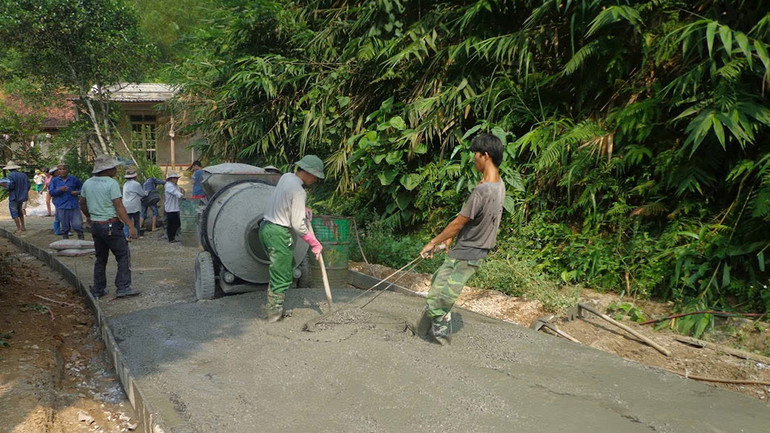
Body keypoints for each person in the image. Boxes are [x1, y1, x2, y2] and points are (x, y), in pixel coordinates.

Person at [419, 133, 506, 345]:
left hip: (470, 251)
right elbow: (472, 219)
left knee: (442, 294)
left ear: (485, 155)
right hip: (469, 247)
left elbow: (458, 222)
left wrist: (432, 242)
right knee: (438, 282)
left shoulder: (483, 190)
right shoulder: (498, 183)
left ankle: (438, 338)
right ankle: (422, 330)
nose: (473, 159)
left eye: (475, 155)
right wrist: (450, 239)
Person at [258, 155, 325, 322]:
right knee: (282, 274)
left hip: (266, 228)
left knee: (280, 269)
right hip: (279, 233)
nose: (315, 179)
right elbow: (298, 226)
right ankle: (273, 314)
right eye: (315, 176)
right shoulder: (299, 191)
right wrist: (314, 243)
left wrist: (302, 208)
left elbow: (284, 199)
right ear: (308, 173)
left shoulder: (287, 177)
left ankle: (271, 306)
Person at [79, 154, 140, 299]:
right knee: (123, 255)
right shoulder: (111, 184)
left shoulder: (87, 183)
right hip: (111, 224)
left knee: (101, 257)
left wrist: (89, 216)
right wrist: (130, 226)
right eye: (114, 167)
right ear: (107, 169)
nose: (116, 170)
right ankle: (123, 287)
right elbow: (118, 205)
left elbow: (82, 202)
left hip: (96, 225)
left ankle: (99, 288)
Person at [48, 164, 84, 240]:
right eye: (60, 169)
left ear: (67, 170)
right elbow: (51, 192)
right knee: (65, 226)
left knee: (77, 224)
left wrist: (77, 192)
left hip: (73, 205)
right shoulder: (54, 181)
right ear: (58, 171)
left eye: (64, 169)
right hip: (61, 205)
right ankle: (65, 240)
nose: (62, 171)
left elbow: (82, 188)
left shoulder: (73, 179)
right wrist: (59, 190)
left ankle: (81, 239)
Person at [2, 161, 29, 233]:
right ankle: (23, 226)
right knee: (20, 211)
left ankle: (18, 228)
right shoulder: (23, 175)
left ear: (8, 169)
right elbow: (28, 186)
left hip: (14, 196)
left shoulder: (10, 176)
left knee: (14, 212)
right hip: (22, 196)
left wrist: (3, 185)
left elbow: (11, 186)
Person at [122, 169, 146, 240]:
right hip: (135, 205)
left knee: (127, 221)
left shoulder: (125, 184)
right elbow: (142, 194)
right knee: (136, 221)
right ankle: (136, 235)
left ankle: (126, 236)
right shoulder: (136, 184)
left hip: (126, 204)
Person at [164, 171, 185, 243]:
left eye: (176, 178)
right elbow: (175, 193)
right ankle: (171, 237)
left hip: (174, 207)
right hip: (170, 208)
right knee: (175, 223)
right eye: (175, 178)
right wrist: (182, 195)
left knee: (173, 223)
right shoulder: (169, 185)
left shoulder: (174, 185)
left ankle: (172, 237)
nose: (176, 179)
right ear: (171, 179)